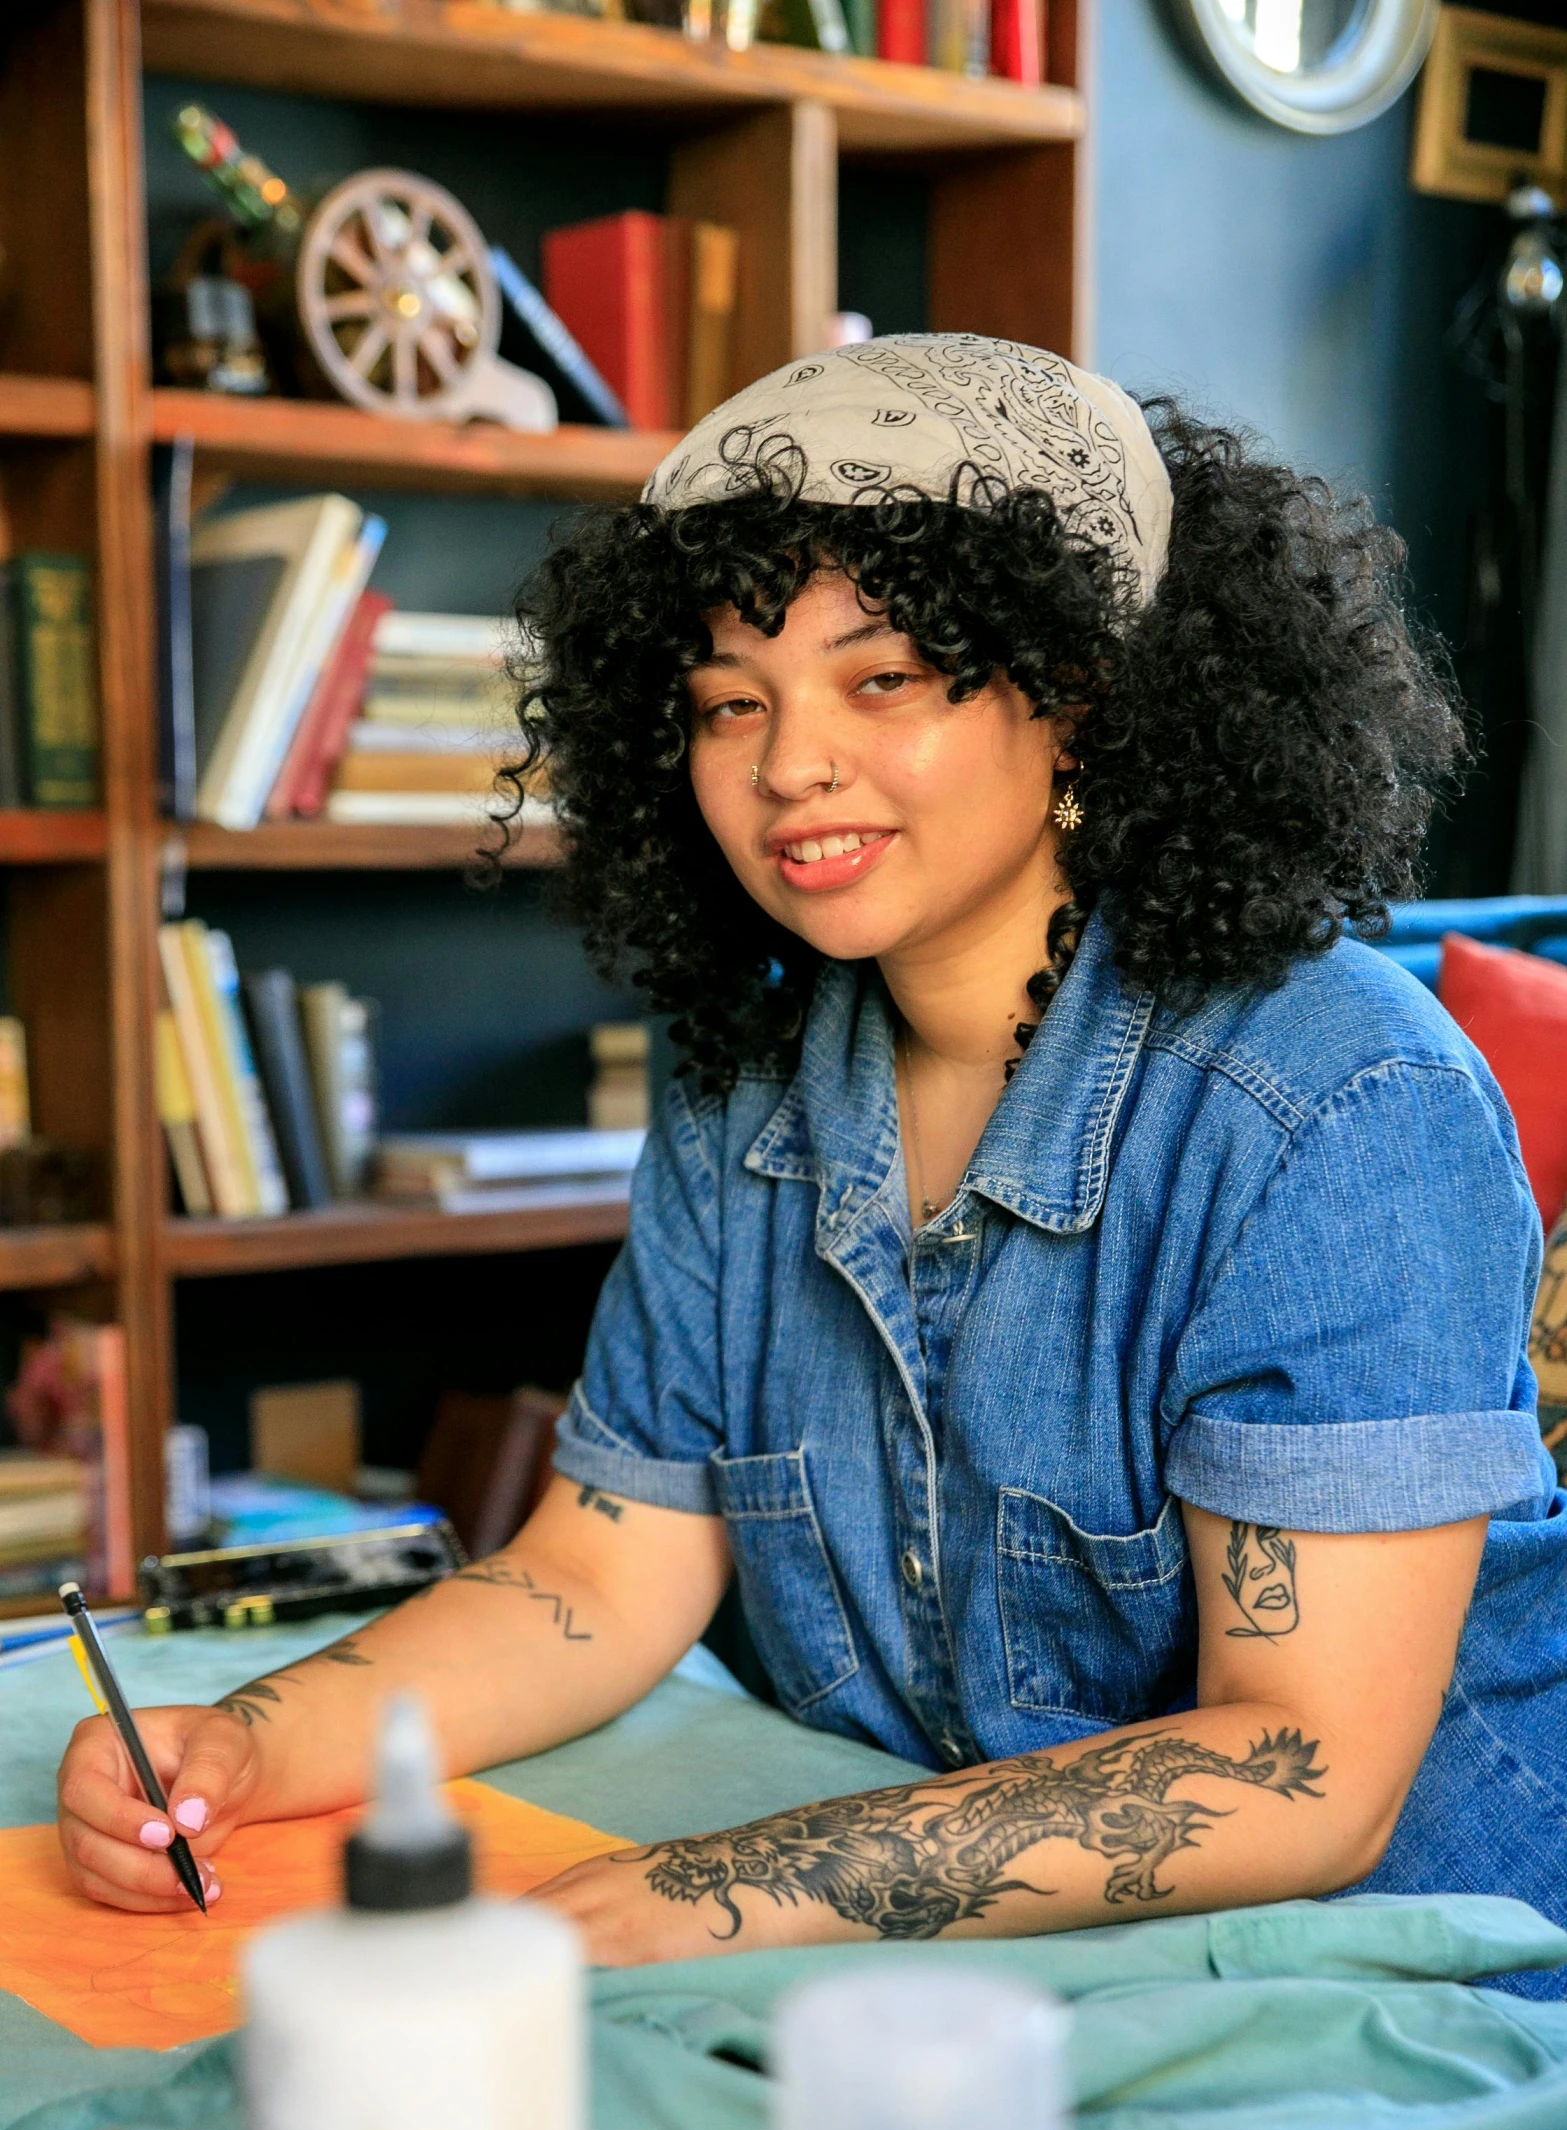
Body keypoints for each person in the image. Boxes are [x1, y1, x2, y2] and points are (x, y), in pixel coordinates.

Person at [59, 337, 1567, 1994]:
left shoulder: (1342, 1102)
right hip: (983, 1977)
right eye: (728, 701)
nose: (787, 766)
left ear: (1079, 695)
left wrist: (712, 1890)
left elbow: (1309, 1774)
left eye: (882, 679)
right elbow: (600, 1567)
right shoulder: (745, 1087)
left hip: (1413, 2006)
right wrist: (251, 1747)